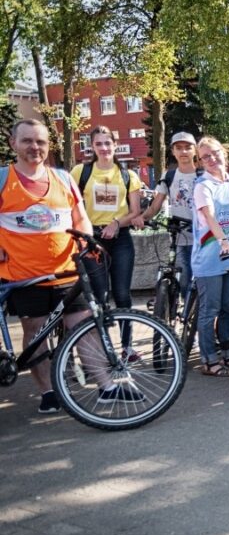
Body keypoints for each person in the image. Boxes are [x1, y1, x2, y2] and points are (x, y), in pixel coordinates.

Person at [0, 120, 122, 412]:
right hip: (24, 275)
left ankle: (106, 386)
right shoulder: (3, 179)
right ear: (13, 144)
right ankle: (49, 393)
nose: (35, 147)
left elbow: (80, 218)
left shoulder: (63, 179)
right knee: (35, 333)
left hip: (67, 271)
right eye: (27, 141)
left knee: (84, 328)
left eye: (41, 142)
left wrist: (87, 242)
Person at [70, 125, 144, 360]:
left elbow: (134, 211)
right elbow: (69, 204)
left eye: (107, 143)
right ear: (92, 147)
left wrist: (116, 223)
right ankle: (102, 349)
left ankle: (127, 347)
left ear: (115, 145)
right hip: (92, 239)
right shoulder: (80, 172)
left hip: (120, 238)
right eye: (98, 144)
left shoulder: (128, 175)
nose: (103, 148)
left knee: (122, 294)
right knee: (99, 296)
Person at [190, 136, 229, 377]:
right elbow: (210, 216)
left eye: (215, 153)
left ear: (224, 153)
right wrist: (224, 241)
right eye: (205, 156)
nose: (212, 159)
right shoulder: (203, 186)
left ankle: (228, 353)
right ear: (200, 161)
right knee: (210, 310)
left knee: (228, 308)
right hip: (211, 256)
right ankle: (209, 359)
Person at [141, 131, 200, 297]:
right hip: (181, 237)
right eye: (178, 148)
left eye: (188, 147)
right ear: (173, 151)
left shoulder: (203, 174)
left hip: (203, 237)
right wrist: (142, 218)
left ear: (195, 150)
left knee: (201, 280)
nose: (183, 151)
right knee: (184, 279)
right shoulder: (169, 176)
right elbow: (155, 206)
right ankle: (184, 309)